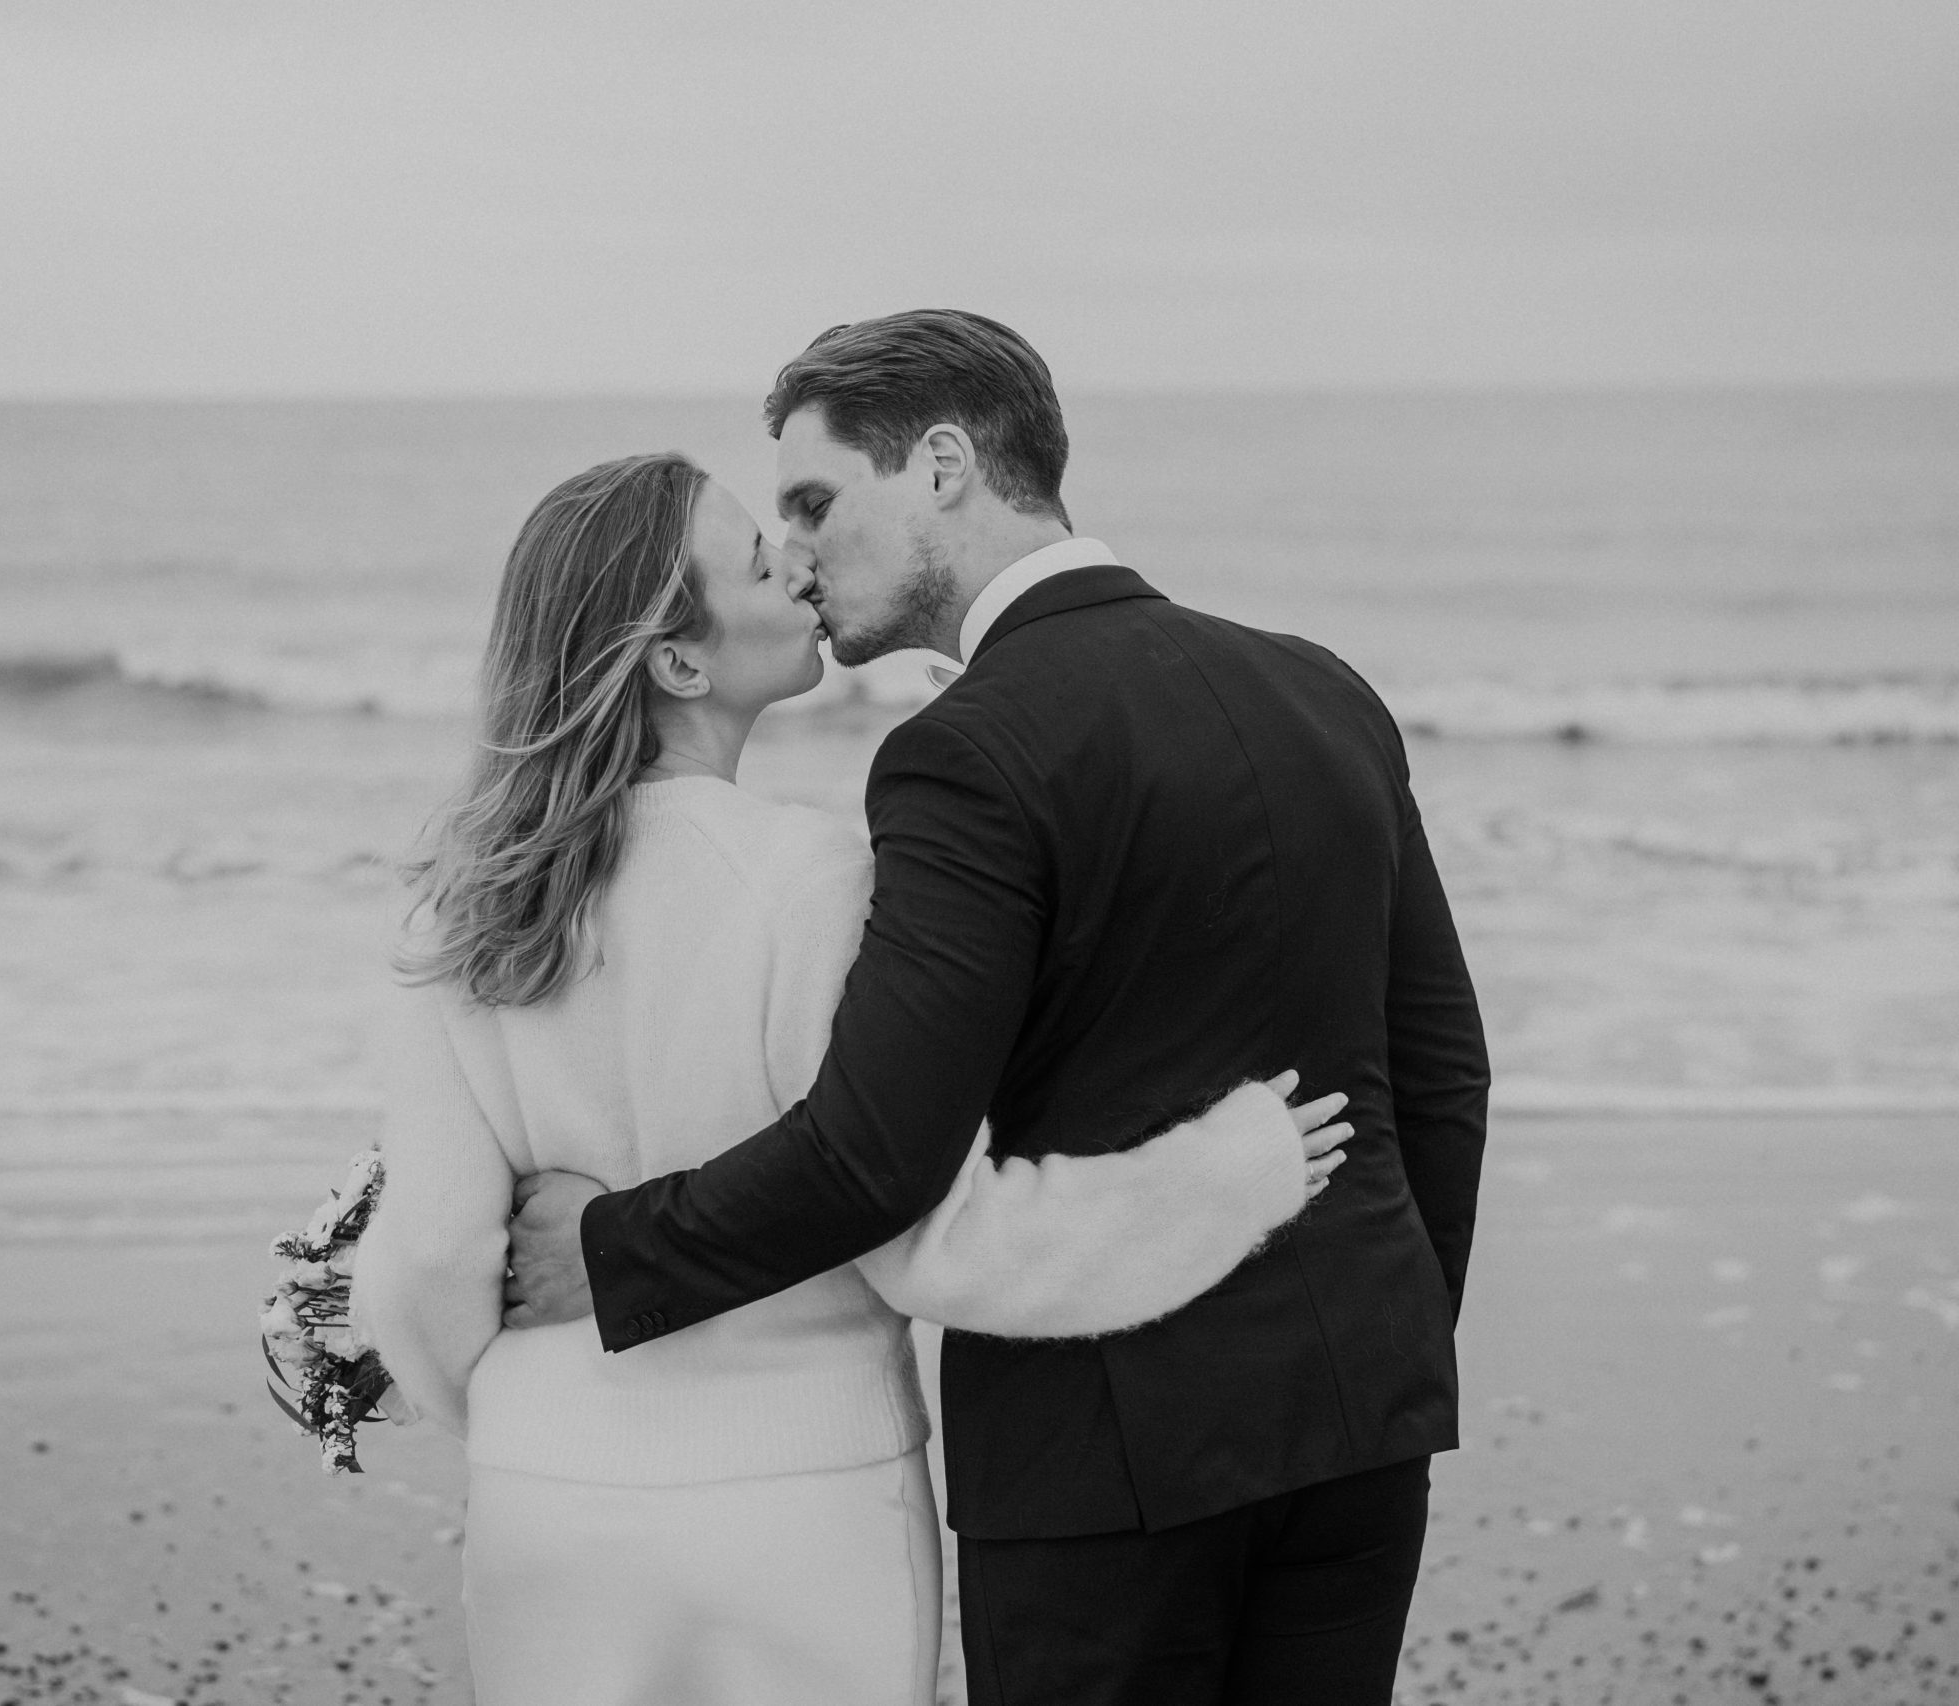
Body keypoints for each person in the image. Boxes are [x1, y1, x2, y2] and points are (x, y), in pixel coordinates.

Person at [502, 313, 1490, 1705]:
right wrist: (1395, 1338)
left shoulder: (965, 754)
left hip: (1106, 1461)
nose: (791, 551)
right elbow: (1443, 1073)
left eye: (815, 499)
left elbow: (876, 1150)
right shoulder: (1321, 687)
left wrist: (609, 1252)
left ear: (947, 466)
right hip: (1365, 1434)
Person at [347, 449, 1353, 1706]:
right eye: (764, 559)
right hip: (800, 1503)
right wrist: (1227, 1174)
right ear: (680, 660)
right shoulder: (809, 880)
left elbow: (433, 1253)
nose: (802, 565)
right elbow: (930, 1234)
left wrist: (520, 1416)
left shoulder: (459, 912)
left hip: (544, 1498)